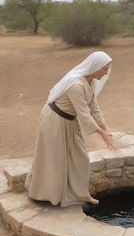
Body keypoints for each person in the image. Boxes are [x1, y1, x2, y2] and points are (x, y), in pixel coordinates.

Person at [25, 51, 116, 207]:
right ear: (95, 68)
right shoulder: (75, 85)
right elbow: (84, 115)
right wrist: (103, 135)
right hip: (55, 121)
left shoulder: (90, 82)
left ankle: (82, 194)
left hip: (70, 122)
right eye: (105, 69)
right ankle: (39, 193)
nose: (107, 72)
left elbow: (93, 106)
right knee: (53, 158)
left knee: (81, 157)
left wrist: (105, 128)